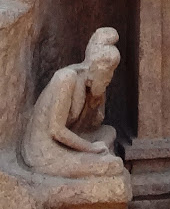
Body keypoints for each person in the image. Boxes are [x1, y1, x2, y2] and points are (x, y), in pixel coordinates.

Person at [22, 27, 123, 178]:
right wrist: (91, 148)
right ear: (96, 69)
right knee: (113, 166)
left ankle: (97, 154)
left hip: (73, 139)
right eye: (106, 77)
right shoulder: (66, 78)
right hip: (45, 151)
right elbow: (56, 130)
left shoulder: (90, 86)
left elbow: (94, 124)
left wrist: (97, 98)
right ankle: (97, 156)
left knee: (109, 131)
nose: (108, 81)